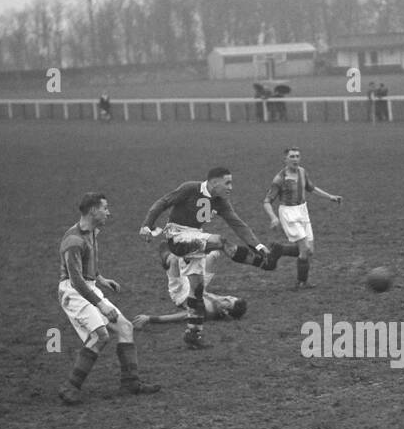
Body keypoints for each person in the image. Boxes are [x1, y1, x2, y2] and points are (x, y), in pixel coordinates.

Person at [139, 167, 284, 349]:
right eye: (227, 183)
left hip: (195, 238)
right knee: (220, 242)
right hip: (177, 236)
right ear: (214, 182)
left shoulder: (221, 201)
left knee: (197, 289)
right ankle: (265, 264)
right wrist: (147, 225)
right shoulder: (190, 189)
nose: (231, 187)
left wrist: (259, 246)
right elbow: (163, 202)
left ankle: (193, 334)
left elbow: (237, 224)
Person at [57, 192, 159, 404]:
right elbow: (76, 280)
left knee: (125, 327)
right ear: (93, 211)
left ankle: (131, 382)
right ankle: (70, 387)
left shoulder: (93, 232)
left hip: (89, 287)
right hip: (74, 293)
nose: (108, 212)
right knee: (100, 336)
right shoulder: (73, 241)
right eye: (105, 208)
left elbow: (85, 268)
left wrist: (101, 279)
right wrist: (101, 304)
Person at [263, 147, 342, 290]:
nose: (295, 159)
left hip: (302, 210)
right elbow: (267, 201)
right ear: (285, 159)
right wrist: (273, 218)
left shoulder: (302, 172)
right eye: (292, 156)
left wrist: (330, 196)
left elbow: (311, 188)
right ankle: (301, 282)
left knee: (309, 250)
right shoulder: (280, 179)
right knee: (304, 249)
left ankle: (280, 249)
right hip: (288, 213)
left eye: (297, 156)